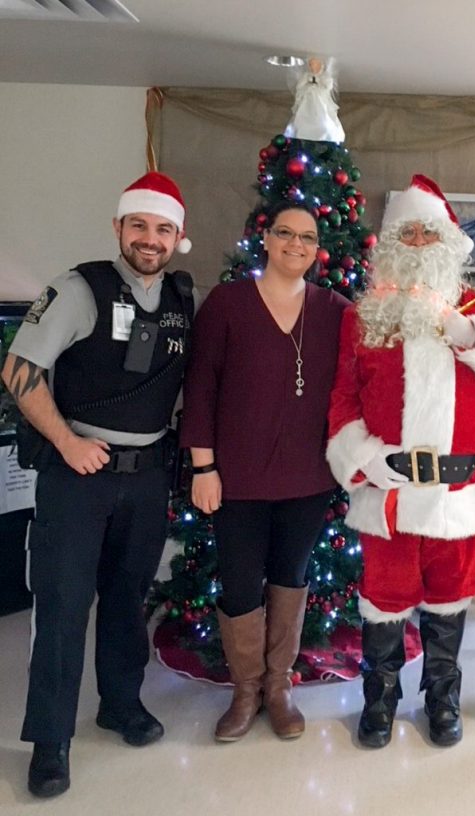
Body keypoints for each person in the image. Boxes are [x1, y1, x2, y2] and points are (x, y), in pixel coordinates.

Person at [1, 172, 195, 798]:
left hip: (147, 480)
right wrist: (66, 441)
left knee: (126, 600)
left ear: (177, 237)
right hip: (78, 476)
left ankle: (120, 705)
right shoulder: (79, 288)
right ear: (118, 228)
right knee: (61, 609)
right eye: (138, 225)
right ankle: (51, 740)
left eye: (162, 229)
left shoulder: (182, 298)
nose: (150, 238)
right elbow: (18, 366)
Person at [326, 175, 475, 749]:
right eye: (406, 233)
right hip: (388, 494)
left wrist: (465, 333)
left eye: (428, 232)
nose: (416, 243)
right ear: (391, 243)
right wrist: (365, 458)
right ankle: (380, 702)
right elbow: (342, 399)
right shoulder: (363, 316)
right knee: (382, 604)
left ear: (448, 243)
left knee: (449, 602)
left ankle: (443, 700)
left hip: (456, 497)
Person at [180, 200, 350, 743]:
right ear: (267, 238)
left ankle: (278, 687)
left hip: (307, 479)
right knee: (238, 585)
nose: (296, 244)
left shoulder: (337, 311)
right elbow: (200, 387)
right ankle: (245, 690)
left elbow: (357, 388)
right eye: (285, 233)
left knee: (290, 579)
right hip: (237, 479)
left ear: (317, 247)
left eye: (307, 236)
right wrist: (203, 465)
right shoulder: (227, 304)